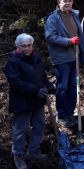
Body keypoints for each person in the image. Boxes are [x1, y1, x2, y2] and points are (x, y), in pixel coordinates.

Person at [4, 33, 56, 169]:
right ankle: (18, 155)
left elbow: (42, 77)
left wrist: (50, 87)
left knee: (39, 126)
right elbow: (16, 83)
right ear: (17, 46)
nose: (27, 48)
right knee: (20, 131)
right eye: (24, 46)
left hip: (37, 101)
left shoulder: (36, 59)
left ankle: (33, 152)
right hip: (22, 103)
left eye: (29, 45)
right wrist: (35, 90)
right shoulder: (13, 63)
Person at [45, 0, 84, 127]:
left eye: (69, 1)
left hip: (74, 57)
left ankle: (70, 113)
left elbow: (81, 36)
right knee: (62, 87)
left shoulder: (74, 15)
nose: (67, 3)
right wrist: (68, 41)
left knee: (72, 87)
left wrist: (83, 54)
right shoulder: (53, 18)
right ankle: (61, 115)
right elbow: (50, 36)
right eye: (64, 1)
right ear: (58, 2)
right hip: (62, 59)